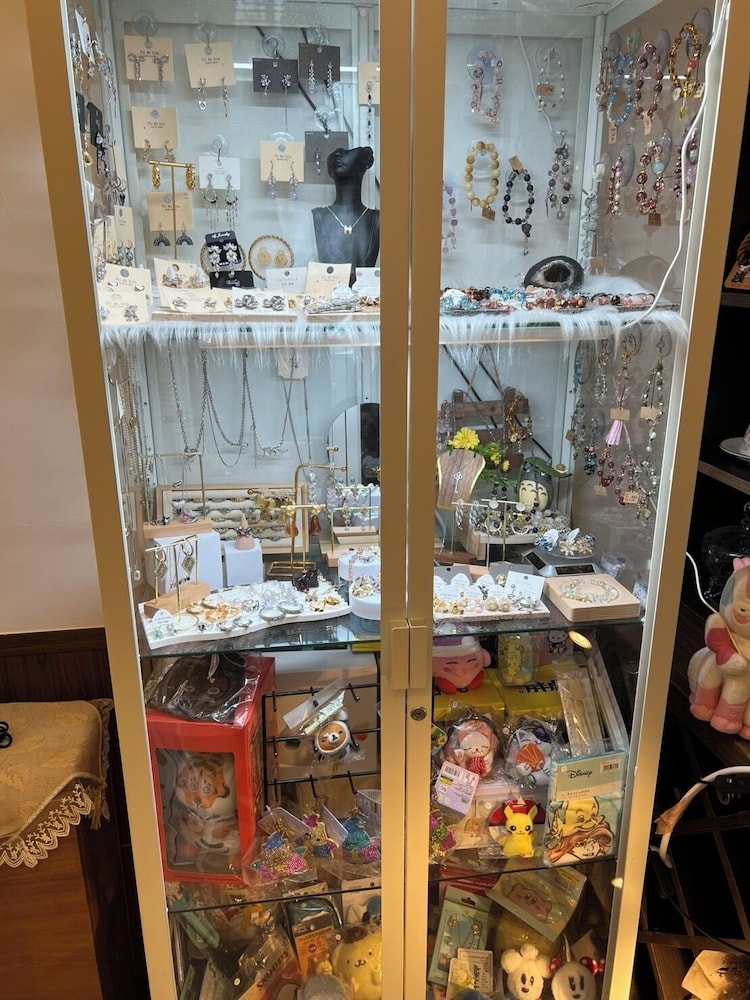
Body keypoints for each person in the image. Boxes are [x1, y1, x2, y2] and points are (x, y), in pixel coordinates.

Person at [312, 146, 380, 278]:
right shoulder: (318, 216)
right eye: (334, 153)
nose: (337, 154)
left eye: (347, 153)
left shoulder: (377, 219)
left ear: (368, 162)